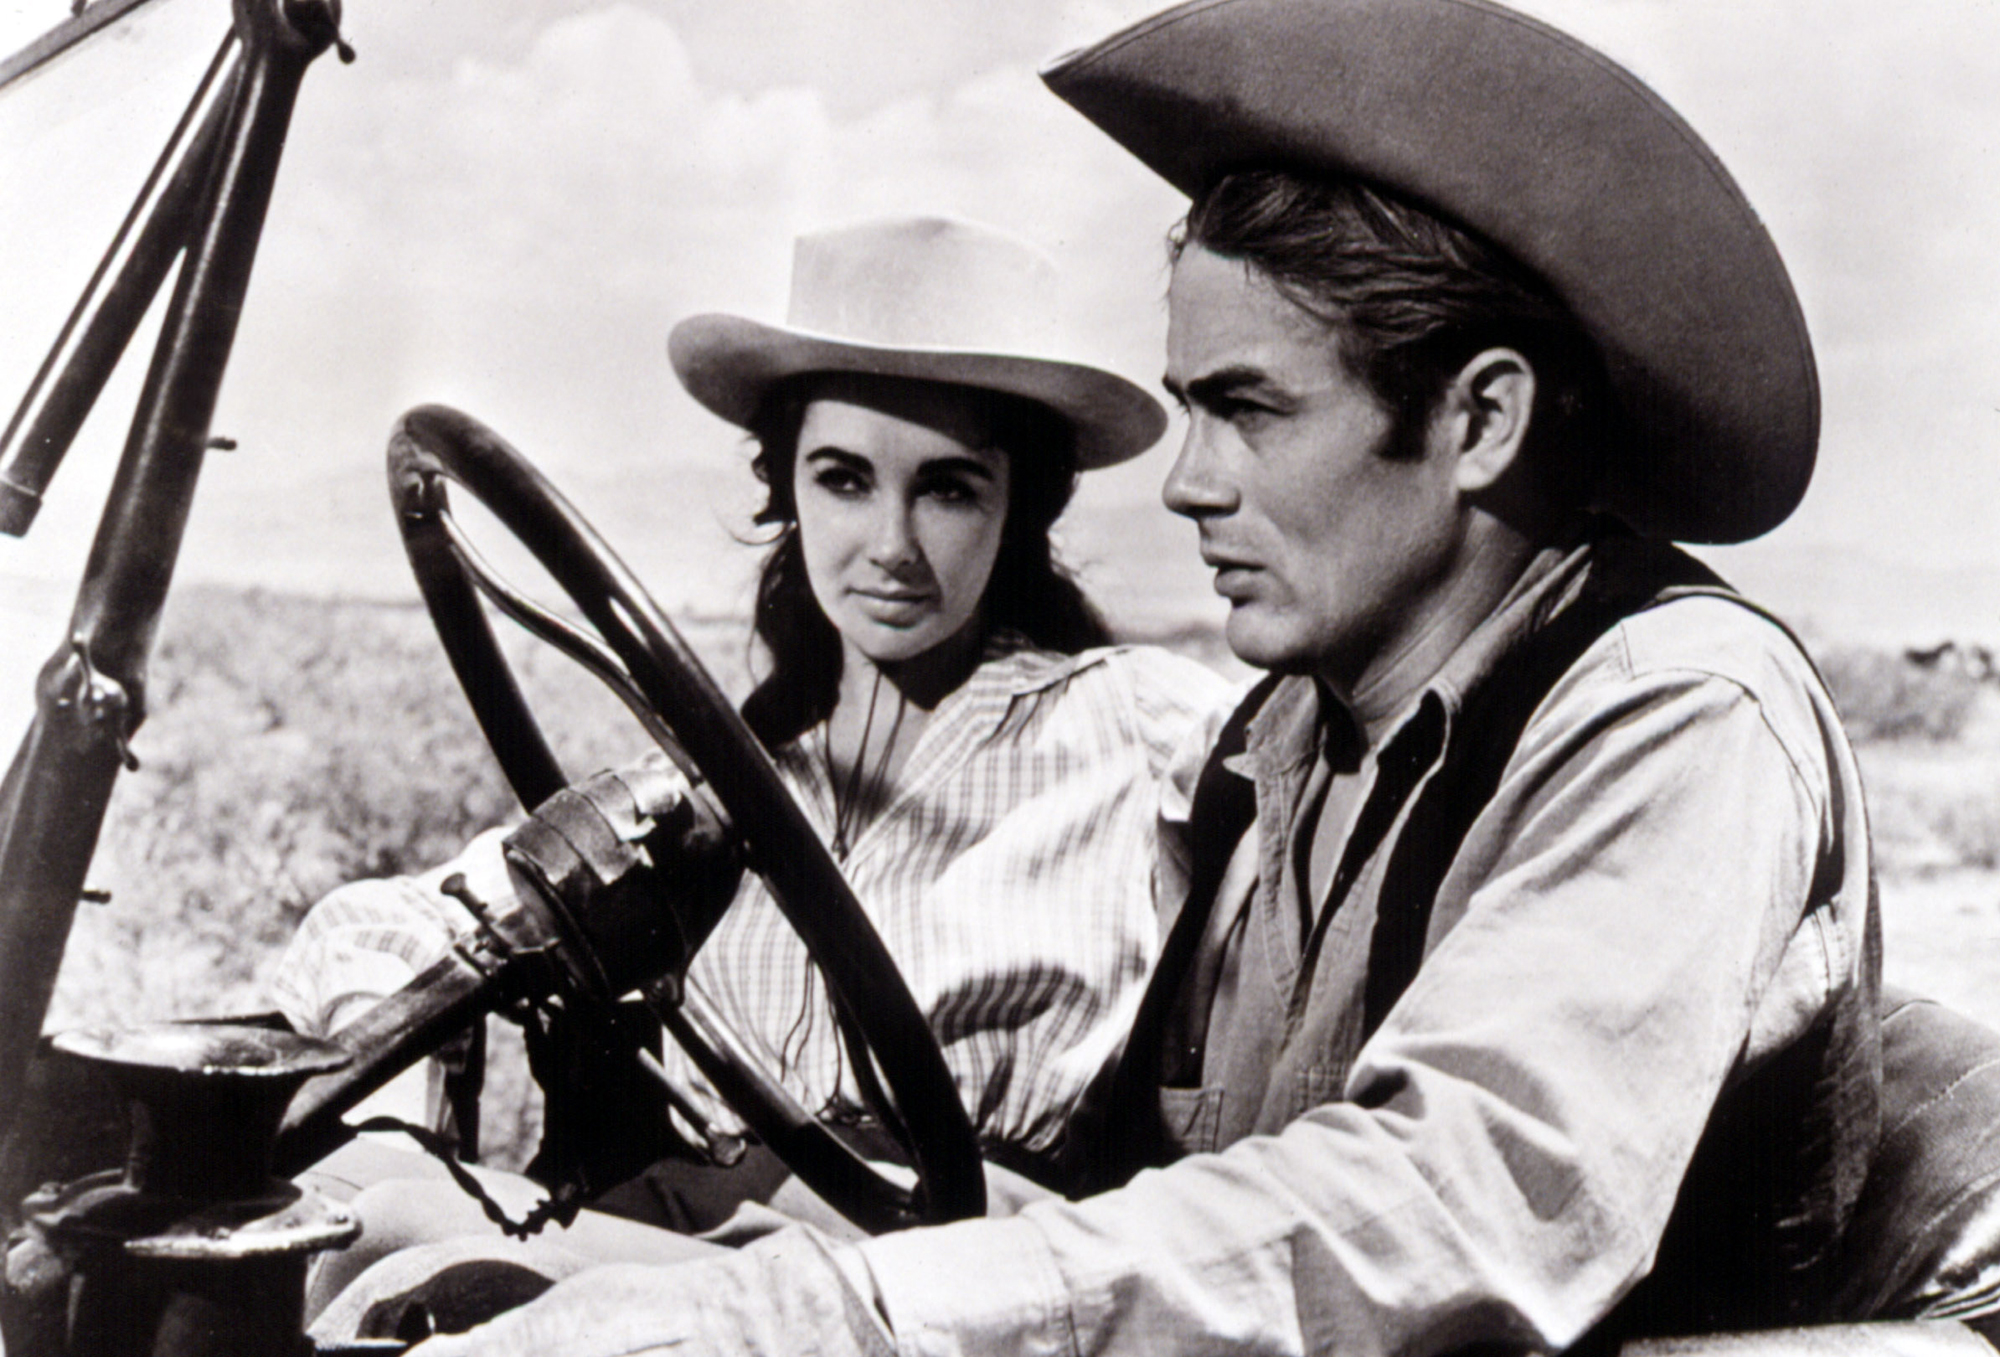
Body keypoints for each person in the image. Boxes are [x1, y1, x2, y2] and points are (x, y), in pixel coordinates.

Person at [377, 1, 1897, 1354]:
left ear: (1479, 422)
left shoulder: (1676, 712)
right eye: (1187, 410)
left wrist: (827, 1314)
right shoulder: (1291, 746)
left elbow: (1451, 1208)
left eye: (1247, 412)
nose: (1186, 484)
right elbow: (1193, 1194)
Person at [271, 215, 1232, 1269]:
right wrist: (397, 1116)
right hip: (690, 1238)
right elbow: (405, 921)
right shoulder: (729, 779)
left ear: (1021, 507)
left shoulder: (1138, 723)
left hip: (936, 1275)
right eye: (843, 478)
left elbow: (1339, 789)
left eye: (948, 487)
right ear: (786, 488)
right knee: (341, 1194)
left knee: (391, 1232)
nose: (891, 546)